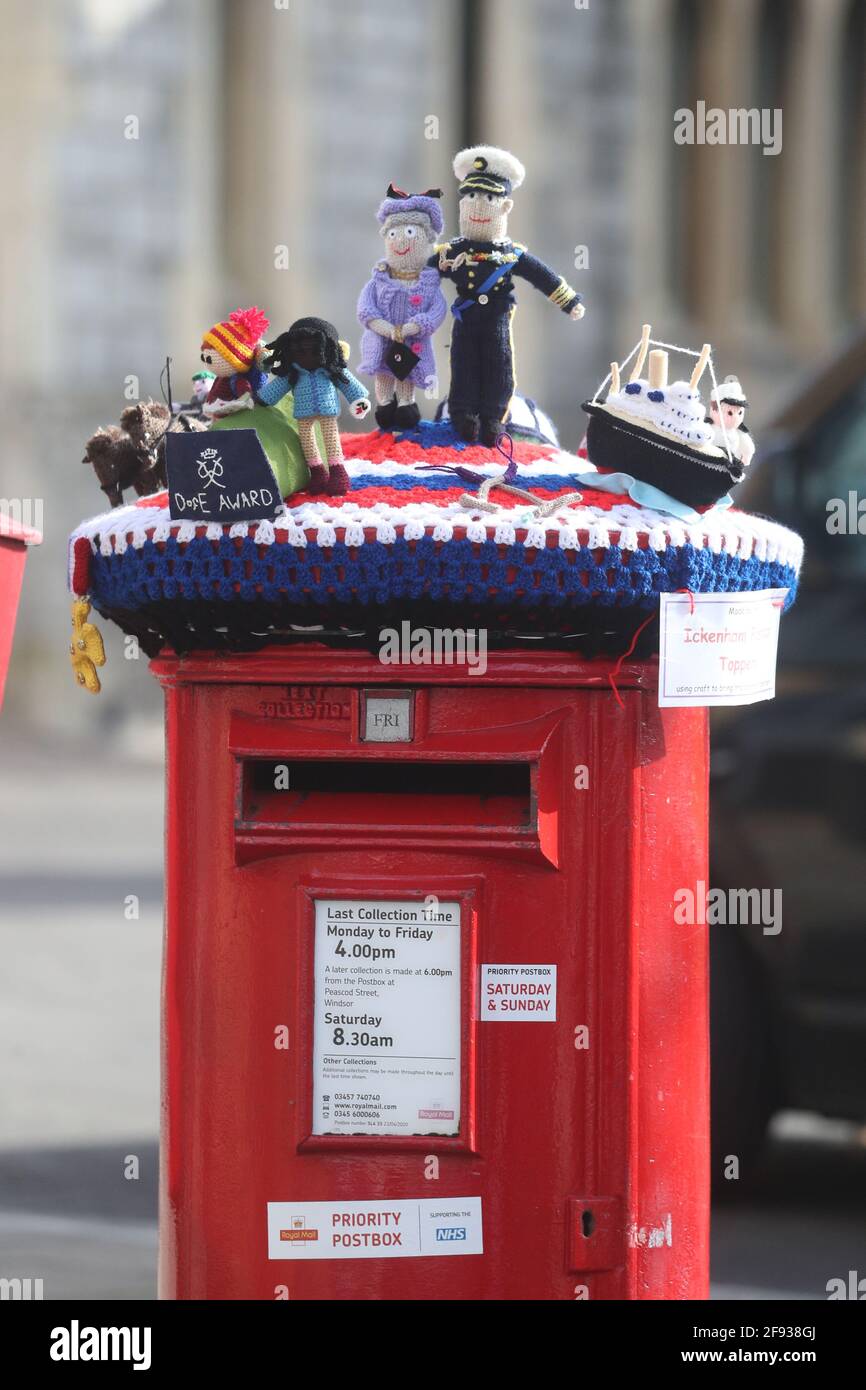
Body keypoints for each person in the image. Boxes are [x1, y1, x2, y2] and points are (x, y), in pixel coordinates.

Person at [429, 145, 585, 447]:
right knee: (463, 364)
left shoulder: (511, 254)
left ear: (504, 207)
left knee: (499, 365)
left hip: (497, 318)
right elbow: (424, 274)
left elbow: (543, 276)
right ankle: (462, 415)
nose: (477, 206)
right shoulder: (454, 251)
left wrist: (569, 301)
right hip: (466, 316)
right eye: (471, 197)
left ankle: (492, 417)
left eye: (487, 198)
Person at [357, 185, 448, 431]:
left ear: (426, 240)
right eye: (394, 234)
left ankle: (406, 403)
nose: (401, 241)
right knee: (384, 372)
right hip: (383, 340)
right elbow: (366, 309)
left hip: (412, 341)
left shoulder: (430, 284)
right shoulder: (378, 280)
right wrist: (382, 327)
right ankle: (385, 403)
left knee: (407, 374)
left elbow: (437, 311)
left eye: (409, 232)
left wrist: (415, 326)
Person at [259, 317, 370, 496]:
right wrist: (263, 398)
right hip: (303, 413)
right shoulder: (293, 372)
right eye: (300, 351)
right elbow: (277, 388)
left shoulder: (331, 369)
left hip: (327, 411)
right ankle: (317, 472)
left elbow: (349, 383)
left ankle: (337, 471)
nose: (307, 356)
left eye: (314, 350)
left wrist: (358, 399)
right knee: (307, 441)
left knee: (331, 439)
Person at [707, 376, 755, 467]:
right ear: (714, 409)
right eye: (730, 413)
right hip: (707, 460)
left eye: (740, 413)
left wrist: (746, 457)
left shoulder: (738, 432)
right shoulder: (708, 427)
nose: (735, 417)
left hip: (728, 465)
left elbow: (748, 447)